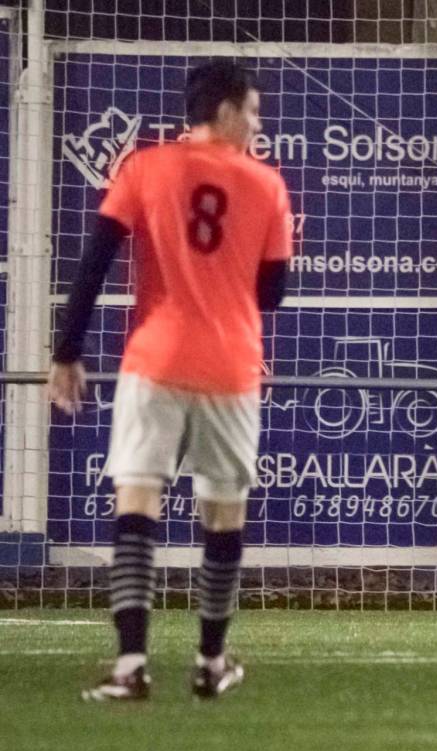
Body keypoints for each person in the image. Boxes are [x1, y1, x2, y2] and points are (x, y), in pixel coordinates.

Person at [48, 60, 293, 701]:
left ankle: (131, 665)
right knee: (222, 511)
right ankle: (211, 662)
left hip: (153, 360)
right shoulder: (267, 185)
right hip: (231, 366)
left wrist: (66, 350)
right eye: (255, 112)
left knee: (137, 503)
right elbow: (272, 293)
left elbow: (96, 258)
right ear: (227, 111)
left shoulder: (145, 168)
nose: (258, 125)